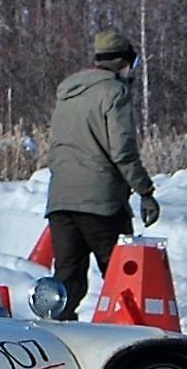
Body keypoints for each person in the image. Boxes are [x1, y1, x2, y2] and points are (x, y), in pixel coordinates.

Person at [44, 29, 160, 320]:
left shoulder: (67, 94)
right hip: (101, 203)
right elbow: (122, 151)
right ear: (124, 62)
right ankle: (131, 346)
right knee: (122, 278)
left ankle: (58, 341)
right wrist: (145, 191)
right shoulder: (115, 92)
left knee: (67, 282)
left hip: (60, 200)